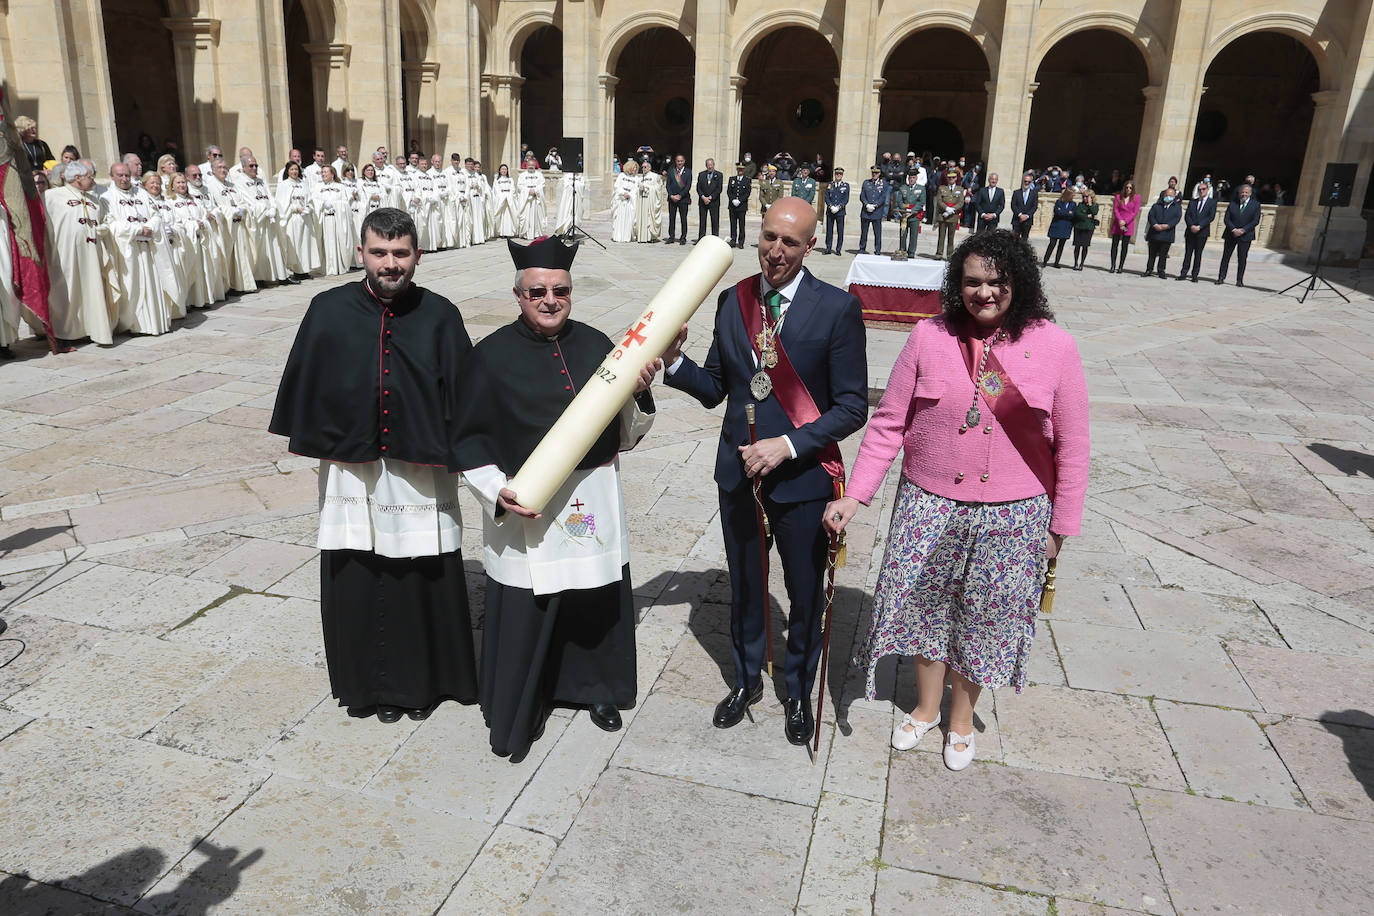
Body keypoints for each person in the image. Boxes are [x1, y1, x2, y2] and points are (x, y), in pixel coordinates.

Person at [825, 228, 1088, 770]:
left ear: (1019, 281)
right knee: (926, 606)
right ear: (956, 284)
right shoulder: (928, 337)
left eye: (997, 281)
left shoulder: (1056, 346)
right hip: (929, 501)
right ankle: (924, 706)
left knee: (986, 615)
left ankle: (961, 718)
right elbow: (889, 424)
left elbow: (1074, 445)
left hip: (1016, 513)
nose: (984, 292)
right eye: (972, 281)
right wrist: (857, 496)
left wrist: (1060, 526)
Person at [662, 197, 868, 746]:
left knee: (803, 592)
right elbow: (715, 388)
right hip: (739, 477)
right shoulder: (733, 301)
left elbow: (851, 407)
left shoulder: (837, 309)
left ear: (811, 245)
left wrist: (790, 444)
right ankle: (747, 679)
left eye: (790, 242)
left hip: (801, 482)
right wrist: (675, 363)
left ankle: (798, 690)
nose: (776, 251)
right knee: (747, 586)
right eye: (769, 237)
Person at [270, 207, 476, 724]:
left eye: (401, 253)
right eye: (380, 253)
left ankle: (427, 681)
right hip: (352, 468)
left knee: (419, 573)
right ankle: (366, 685)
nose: (390, 264)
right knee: (360, 570)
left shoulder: (441, 313)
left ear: (418, 256)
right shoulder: (327, 309)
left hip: (419, 470)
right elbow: (307, 385)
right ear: (360, 253)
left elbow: (469, 398)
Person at [455, 236, 657, 759]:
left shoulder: (596, 344)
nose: (549, 300)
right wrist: (496, 490)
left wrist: (638, 391)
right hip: (528, 506)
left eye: (560, 291)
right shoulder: (490, 356)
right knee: (533, 601)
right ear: (518, 294)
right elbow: (468, 440)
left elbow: (627, 435)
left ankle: (596, 689)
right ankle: (528, 698)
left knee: (592, 596)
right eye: (537, 291)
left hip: (592, 495)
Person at [45, 160, 116, 345]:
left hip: (91, 255)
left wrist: (104, 228)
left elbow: (104, 220)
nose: (92, 180)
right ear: (77, 178)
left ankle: (89, 329)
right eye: (88, 177)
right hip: (64, 256)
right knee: (67, 291)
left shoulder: (94, 200)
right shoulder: (52, 196)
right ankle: (65, 334)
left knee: (91, 290)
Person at [100, 161, 170, 335]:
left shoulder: (141, 193)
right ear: (111, 177)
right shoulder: (106, 198)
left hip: (147, 249)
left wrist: (151, 227)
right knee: (132, 286)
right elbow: (111, 225)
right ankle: (133, 324)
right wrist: (137, 229)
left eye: (126, 175)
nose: (124, 179)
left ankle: (154, 323)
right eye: (120, 175)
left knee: (152, 285)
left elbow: (156, 215)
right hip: (128, 251)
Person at [235, 156, 292, 286]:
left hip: (269, 220)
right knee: (260, 250)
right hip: (258, 220)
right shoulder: (239, 182)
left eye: (256, 165)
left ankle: (280, 275)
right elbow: (247, 201)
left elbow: (270, 196)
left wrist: (272, 207)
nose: (254, 168)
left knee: (274, 247)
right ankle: (260, 277)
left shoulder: (261, 180)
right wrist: (263, 210)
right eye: (251, 166)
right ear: (243, 167)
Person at [275, 161, 319, 278]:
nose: (294, 172)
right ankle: (296, 270)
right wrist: (295, 208)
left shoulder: (303, 184)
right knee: (296, 243)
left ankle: (305, 270)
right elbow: (281, 203)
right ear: (287, 171)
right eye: (292, 169)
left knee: (306, 243)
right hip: (293, 218)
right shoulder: (283, 185)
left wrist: (309, 208)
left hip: (305, 219)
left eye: (296, 169)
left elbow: (310, 200)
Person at [313, 165, 354, 275]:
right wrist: (322, 203)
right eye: (322, 172)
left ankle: (339, 266)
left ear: (332, 174)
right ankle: (327, 267)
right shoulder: (317, 186)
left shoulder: (340, 186)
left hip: (337, 220)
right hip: (324, 220)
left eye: (326, 172)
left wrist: (335, 204)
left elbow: (346, 202)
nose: (323, 174)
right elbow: (314, 201)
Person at [1217, 183, 1260, 287]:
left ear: (1250, 193)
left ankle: (1239, 280)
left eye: (1246, 192)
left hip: (1245, 236)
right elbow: (1227, 218)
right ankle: (1221, 277)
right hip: (1231, 234)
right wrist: (1233, 229)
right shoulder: (1233, 203)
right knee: (1225, 257)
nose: (1244, 194)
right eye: (1242, 192)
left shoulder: (1255, 205)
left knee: (1242, 258)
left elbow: (1255, 221)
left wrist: (1243, 230)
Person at [1177, 182, 1216, 282]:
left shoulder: (1212, 203)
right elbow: (1187, 216)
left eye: (1203, 189)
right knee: (1188, 254)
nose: (1201, 191)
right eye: (1199, 189)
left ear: (1207, 190)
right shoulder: (1192, 202)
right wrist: (1191, 226)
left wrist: (1200, 226)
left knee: (1198, 254)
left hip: (1202, 232)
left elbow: (1210, 217)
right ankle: (1183, 273)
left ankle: (1195, 275)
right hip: (1190, 231)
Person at [1143, 188, 1182, 278]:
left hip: (1167, 234)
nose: (1168, 197)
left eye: (1170, 195)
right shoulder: (1156, 205)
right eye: (1166, 195)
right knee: (1152, 254)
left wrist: (1167, 225)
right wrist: (1155, 225)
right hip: (1154, 233)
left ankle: (1161, 270)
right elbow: (1151, 216)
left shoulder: (1177, 207)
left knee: (1163, 255)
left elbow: (1177, 218)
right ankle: (1149, 269)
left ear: (1174, 197)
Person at [1108, 180, 1140, 273]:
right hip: (1118, 223)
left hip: (1128, 224)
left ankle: (1121, 266)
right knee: (1115, 245)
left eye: (1130, 188)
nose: (1128, 189)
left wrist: (1125, 222)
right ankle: (1112, 265)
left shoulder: (1136, 198)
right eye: (1127, 187)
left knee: (1124, 246)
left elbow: (1135, 212)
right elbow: (1116, 210)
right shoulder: (1118, 197)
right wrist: (1120, 220)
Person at [892, 170, 925, 258]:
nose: (911, 179)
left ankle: (911, 252)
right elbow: (899, 201)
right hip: (904, 215)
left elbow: (921, 202)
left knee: (913, 235)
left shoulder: (921, 188)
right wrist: (904, 209)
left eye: (913, 178)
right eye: (910, 178)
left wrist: (913, 210)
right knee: (903, 233)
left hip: (914, 215)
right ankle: (902, 250)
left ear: (916, 178)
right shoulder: (903, 188)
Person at [1041, 188, 1075, 268]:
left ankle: (1056, 262)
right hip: (1056, 226)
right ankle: (1045, 260)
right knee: (1052, 244)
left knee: (1061, 246)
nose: (1073, 196)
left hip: (1065, 227)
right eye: (1072, 195)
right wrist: (1067, 213)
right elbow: (1058, 213)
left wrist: (1065, 213)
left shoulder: (1073, 204)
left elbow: (1072, 215)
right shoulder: (1059, 202)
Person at [933, 169, 964, 260]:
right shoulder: (942, 188)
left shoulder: (960, 189)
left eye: (953, 177)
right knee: (941, 236)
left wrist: (952, 210)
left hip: (953, 216)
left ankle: (950, 255)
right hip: (943, 215)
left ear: (956, 178)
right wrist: (946, 208)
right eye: (950, 177)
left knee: (951, 237)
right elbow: (939, 201)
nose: (951, 179)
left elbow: (961, 202)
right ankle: (939, 253)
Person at [858, 166, 887, 255]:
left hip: (876, 211)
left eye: (876, 173)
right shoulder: (866, 183)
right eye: (873, 173)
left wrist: (875, 205)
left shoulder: (883, 183)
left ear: (879, 174)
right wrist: (866, 204)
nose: (874, 174)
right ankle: (862, 248)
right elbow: (862, 195)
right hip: (866, 211)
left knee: (877, 233)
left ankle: (877, 250)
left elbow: (883, 197)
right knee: (864, 232)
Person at [516, 160, 546, 240]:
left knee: (536, 217)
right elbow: (519, 186)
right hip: (526, 200)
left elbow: (542, 184)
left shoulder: (539, 175)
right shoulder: (522, 175)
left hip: (536, 199)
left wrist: (535, 190)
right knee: (526, 217)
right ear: (526, 166)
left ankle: (536, 233)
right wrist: (528, 191)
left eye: (532, 165)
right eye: (529, 165)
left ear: (535, 165)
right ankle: (526, 234)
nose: (531, 166)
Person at [665, 154, 691, 244]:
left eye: (681, 161)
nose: (679, 163)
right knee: (672, 218)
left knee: (683, 219)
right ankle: (671, 237)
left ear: (684, 161)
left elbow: (688, 186)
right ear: (675, 162)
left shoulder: (688, 172)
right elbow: (668, 185)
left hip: (683, 199)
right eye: (678, 161)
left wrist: (680, 195)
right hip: (672, 199)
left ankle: (683, 237)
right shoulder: (671, 171)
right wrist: (671, 195)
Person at [635, 161, 664, 242]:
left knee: (650, 219)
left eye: (645, 167)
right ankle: (643, 236)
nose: (643, 169)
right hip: (642, 202)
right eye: (642, 167)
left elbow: (658, 188)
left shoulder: (655, 176)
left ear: (649, 168)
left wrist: (646, 187)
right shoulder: (640, 178)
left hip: (650, 202)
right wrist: (639, 189)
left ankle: (650, 237)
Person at [552, 168, 587, 236]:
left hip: (577, 199)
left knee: (576, 214)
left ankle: (574, 232)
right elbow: (566, 185)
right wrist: (573, 186)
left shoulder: (581, 177)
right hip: (568, 200)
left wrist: (575, 186)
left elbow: (582, 186)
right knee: (567, 214)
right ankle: (566, 230)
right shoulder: (567, 176)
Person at [1070, 189, 1099, 271]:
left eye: (1087, 196)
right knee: (1077, 246)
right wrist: (1087, 216)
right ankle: (1075, 262)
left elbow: (1094, 212)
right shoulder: (1080, 205)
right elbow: (1078, 214)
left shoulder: (1095, 205)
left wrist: (1090, 205)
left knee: (1085, 246)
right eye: (1084, 197)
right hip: (1079, 227)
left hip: (1088, 228)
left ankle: (1082, 263)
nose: (1085, 198)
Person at [823, 167, 848, 255]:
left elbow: (846, 199)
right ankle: (828, 248)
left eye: (840, 174)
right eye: (837, 174)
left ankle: (838, 249)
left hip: (840, 212)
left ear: (842, 175)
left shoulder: (846, 185)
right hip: (830, 211)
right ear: (834, 174)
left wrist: (838, 207)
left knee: (840, 231)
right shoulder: (830, 184)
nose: (838, 175)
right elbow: (826, 197)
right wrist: (830, 206)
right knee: (829, 231)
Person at [611, 160, 638, 242]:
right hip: (621, 201)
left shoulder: (636, 178)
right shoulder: (621, 176)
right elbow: (616, 186)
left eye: (636, 168)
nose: (635, 169)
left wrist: (630, 194)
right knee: (619, 219)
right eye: (633, 168)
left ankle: (626, 237)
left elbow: (636, 189)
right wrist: (623, 193)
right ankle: (618, 237)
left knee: (629, 220)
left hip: (630, 201)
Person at [696, 158, 722, 240]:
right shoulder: (701, 174)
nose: (710, 167)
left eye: (711, 165)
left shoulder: (719, 175)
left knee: (714, 221)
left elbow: (719, 189)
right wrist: (703, 197)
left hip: (714, 202)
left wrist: (710, 198)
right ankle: (701, 239)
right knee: (702, 221)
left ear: (713, 165)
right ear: (706, 166)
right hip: (703, 201)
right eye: (708, 165)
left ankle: (714, 239)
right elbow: (698, 188)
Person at [727, 161, 752, 249]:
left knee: (741, 225)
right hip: (732, 205)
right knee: (733, 224)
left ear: (744, 170)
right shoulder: (732, 179)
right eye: (738, 169)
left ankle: (741, 242)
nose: (740, 171)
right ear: (737, 170)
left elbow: (747, 192)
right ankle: (733, 240)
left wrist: (740, 200)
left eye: (741, 169)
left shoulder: (747, 180)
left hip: (742, 206)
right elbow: (729, 191)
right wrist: (733, 199)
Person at [490, 164, 519, 237]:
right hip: (501, 199)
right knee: (501, 216)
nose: (504, 171)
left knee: (509, 216)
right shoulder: (497, 180)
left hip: (509, 199)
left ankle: (509, 232)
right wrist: (503, 197)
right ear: (500, 170)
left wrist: (508, 196)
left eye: (505, 169)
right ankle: (501, 232)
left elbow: (513, 189)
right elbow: (496, 190)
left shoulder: (510, 179)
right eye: (502, 169)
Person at [1010, 172, 1037, 240]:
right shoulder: (1016, 192)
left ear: (1031, 182)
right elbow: (1013, 205)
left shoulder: (1034, 194)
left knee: (1024, 240)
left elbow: (1034, 206)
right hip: (1017, 220)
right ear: (1022, 181)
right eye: (1025, 181)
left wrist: (1027, 215)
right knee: (1015, 239)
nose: (1027, 183)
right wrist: (1020, 215)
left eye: (1029, 181)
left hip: (1028, 221)